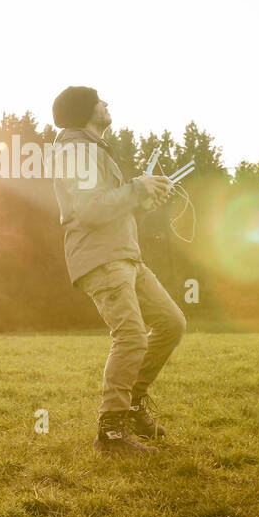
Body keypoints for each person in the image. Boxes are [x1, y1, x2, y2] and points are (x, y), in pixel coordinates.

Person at [51, 86, 187, 457]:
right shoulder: (75, 151)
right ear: (85, 110)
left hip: (125, 255)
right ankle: (110, 433)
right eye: (100, 100)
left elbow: (108, 206)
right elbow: (91, 210)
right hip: (101, 257)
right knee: (130, 337)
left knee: (171, 323)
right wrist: (136, 188)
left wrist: (140, 197)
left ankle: (132, 407)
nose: (106, 103)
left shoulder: (92, 149)